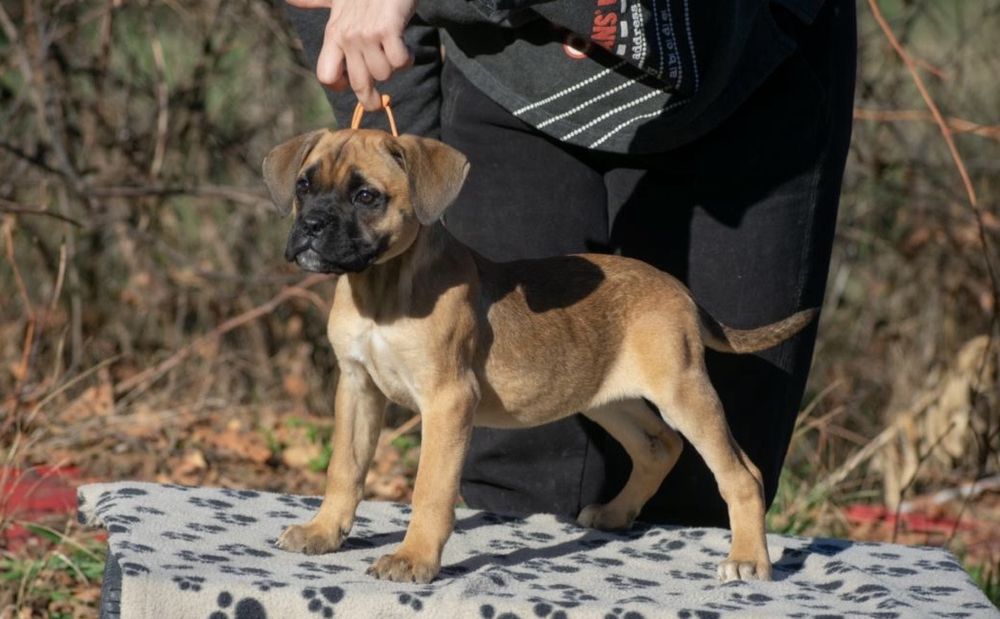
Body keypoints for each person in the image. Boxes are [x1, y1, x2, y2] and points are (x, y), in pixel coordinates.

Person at [281, 0, 856, 528]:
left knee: (706, 475)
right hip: (515, 82)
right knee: (520, 479)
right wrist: (403, 157)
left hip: (741, 66)